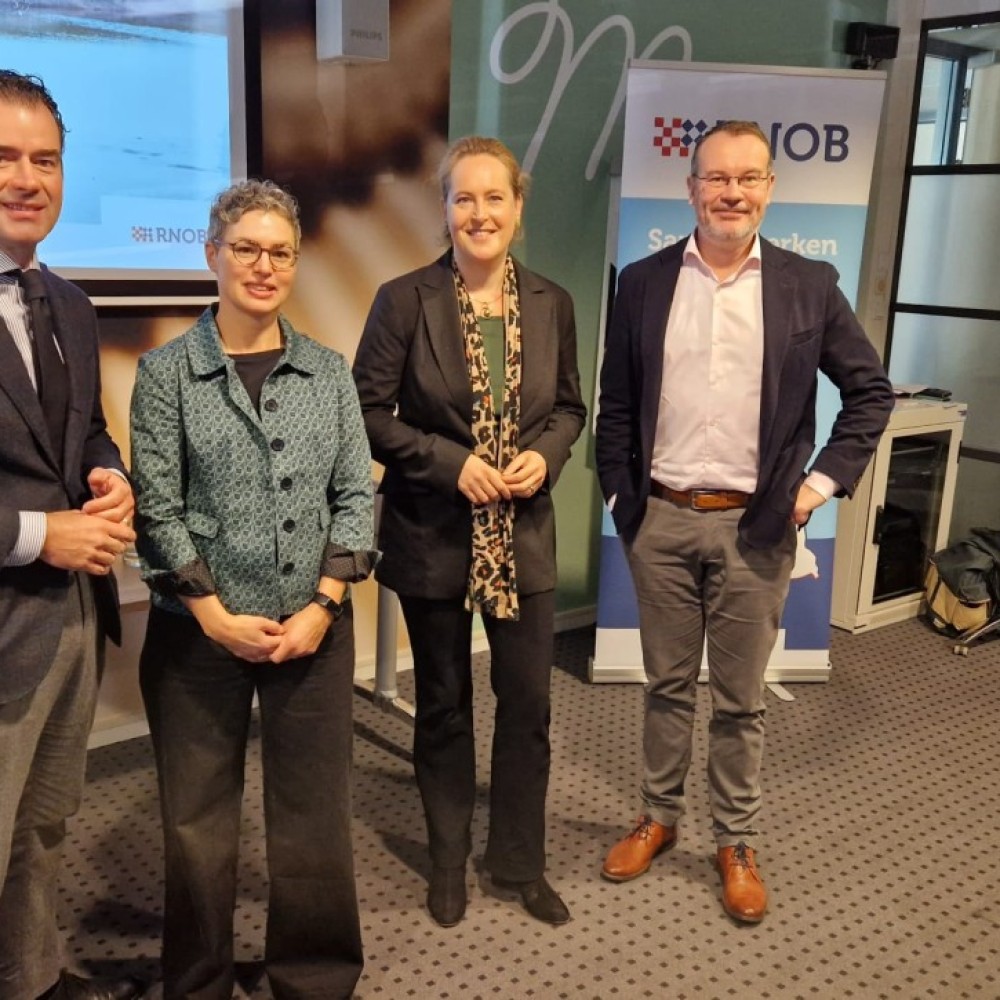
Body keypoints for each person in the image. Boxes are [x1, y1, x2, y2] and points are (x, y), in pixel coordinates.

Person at [595, 120, 894, 923]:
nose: (732, 193)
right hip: (660, 521)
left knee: (739, 700)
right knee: (665, 686)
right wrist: (623, 500)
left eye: (748, 178)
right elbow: (616, 403)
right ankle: (659, 817)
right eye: (717, 178)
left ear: (769, 188)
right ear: (691, 188)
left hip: (756, 530)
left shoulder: (808, 284)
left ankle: (734, 840)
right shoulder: (644, 282)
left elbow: (869, 393)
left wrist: (817, 486)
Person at [129, 179, 375, 999]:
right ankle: (198, 979)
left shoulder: (328, 372)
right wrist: (213, 615)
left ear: (295, 263)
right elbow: (157, 508)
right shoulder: (166, 373)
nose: (263, 267)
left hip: (314, 632)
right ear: (213, 254)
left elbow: (355, 496)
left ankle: (315, 976)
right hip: (197, 637)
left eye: (280, 252)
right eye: (246, 249)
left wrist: (323, 606)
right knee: (197, 824)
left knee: (313, 818)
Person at [352, 136, 586, 928]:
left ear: (518, 208)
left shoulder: (554, 302)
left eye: (495, 197)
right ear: (445, 208)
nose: (479, 213)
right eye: (464, 198)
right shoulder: (403, 300)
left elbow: (569, 409)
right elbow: (367, 411)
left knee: (527, 708)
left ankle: (518, 862)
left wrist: (545, 456)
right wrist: (450, 464)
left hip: (523, 535)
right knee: (444, 705)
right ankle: (448, 858)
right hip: (434, 533)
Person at [0, 71, 142, 1000]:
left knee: (42, 825)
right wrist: (31, 535)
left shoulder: (73, 305)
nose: (27, 179)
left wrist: (110, 474)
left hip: (74, 621)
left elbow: (86, 429)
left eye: (44, 160)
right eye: (4, 157)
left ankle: (33, 978)